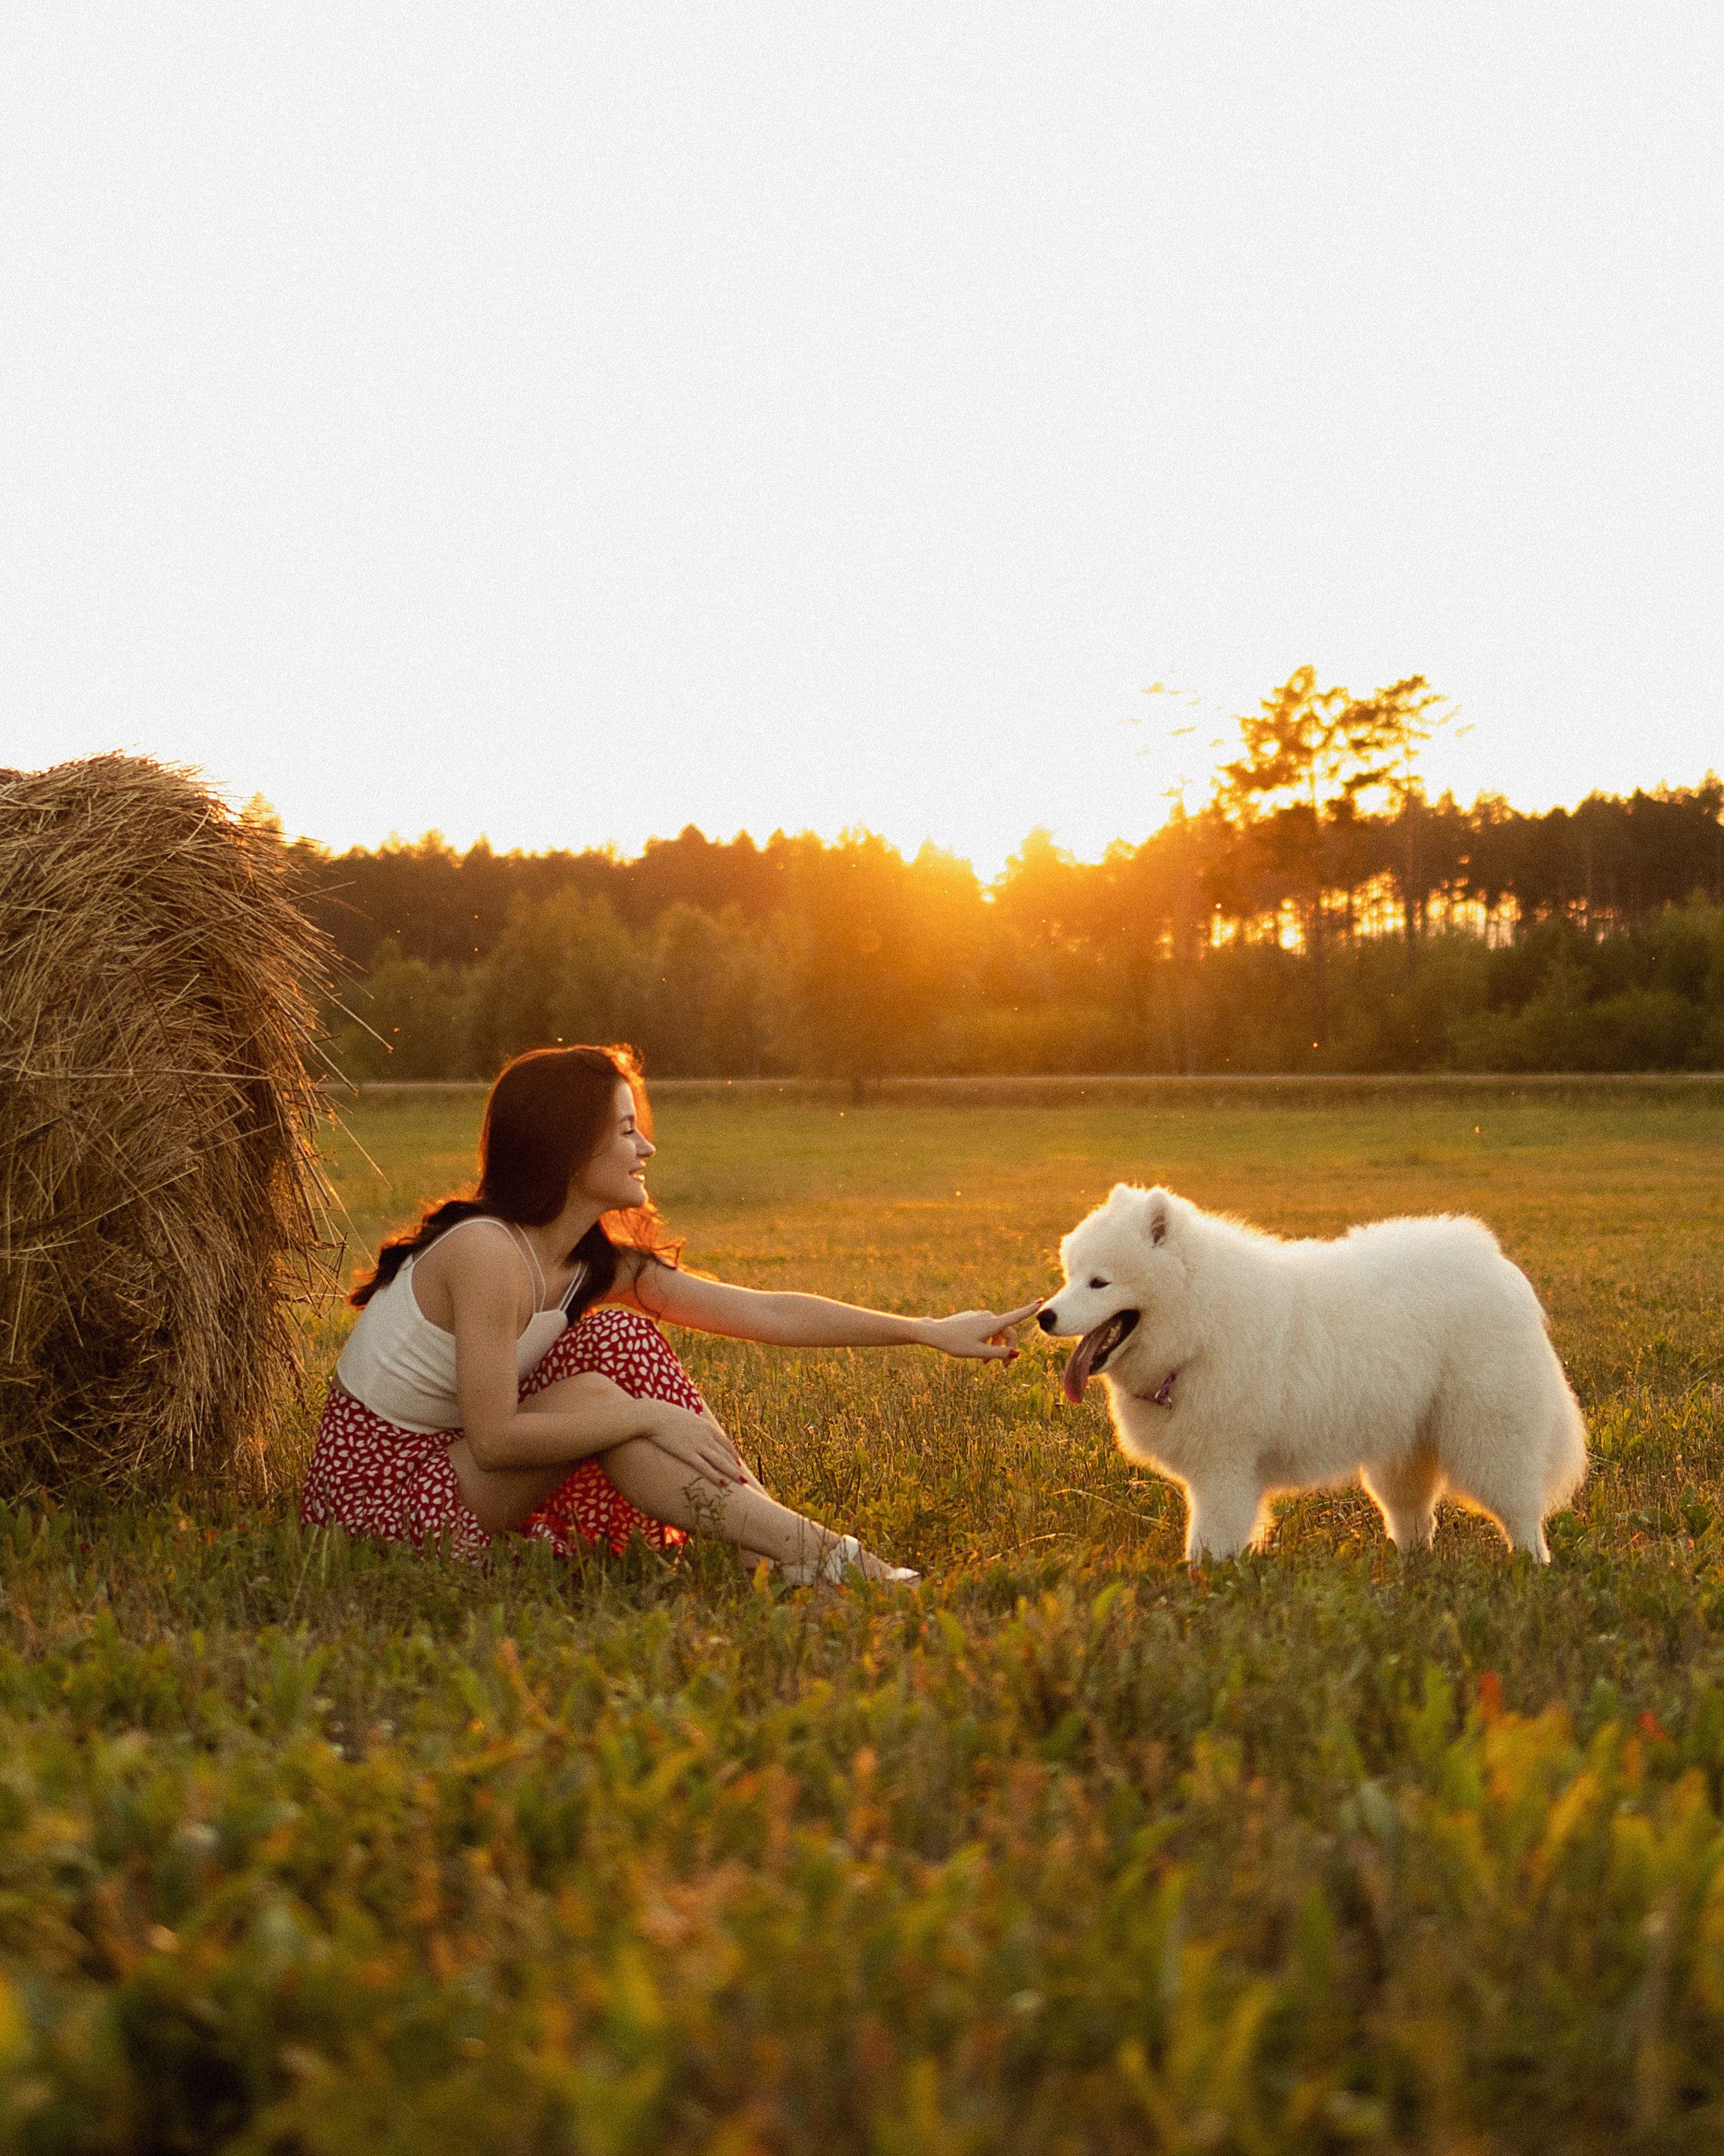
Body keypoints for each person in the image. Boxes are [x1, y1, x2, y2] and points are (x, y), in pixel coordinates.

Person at [302, 1043, 1036, 1580]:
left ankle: (779, 1547)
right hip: (375, 1504)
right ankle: (819, 1558)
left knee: (621, 1338)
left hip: (452, 1475)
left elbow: (769, 1313)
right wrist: (645, 1417)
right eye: (625, 1130)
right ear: (567, 1146)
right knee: (603, 1390)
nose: (645, 1145)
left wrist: (923, 1331)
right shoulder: (486, 1254)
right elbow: (494, 1440)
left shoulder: (593, 1264)